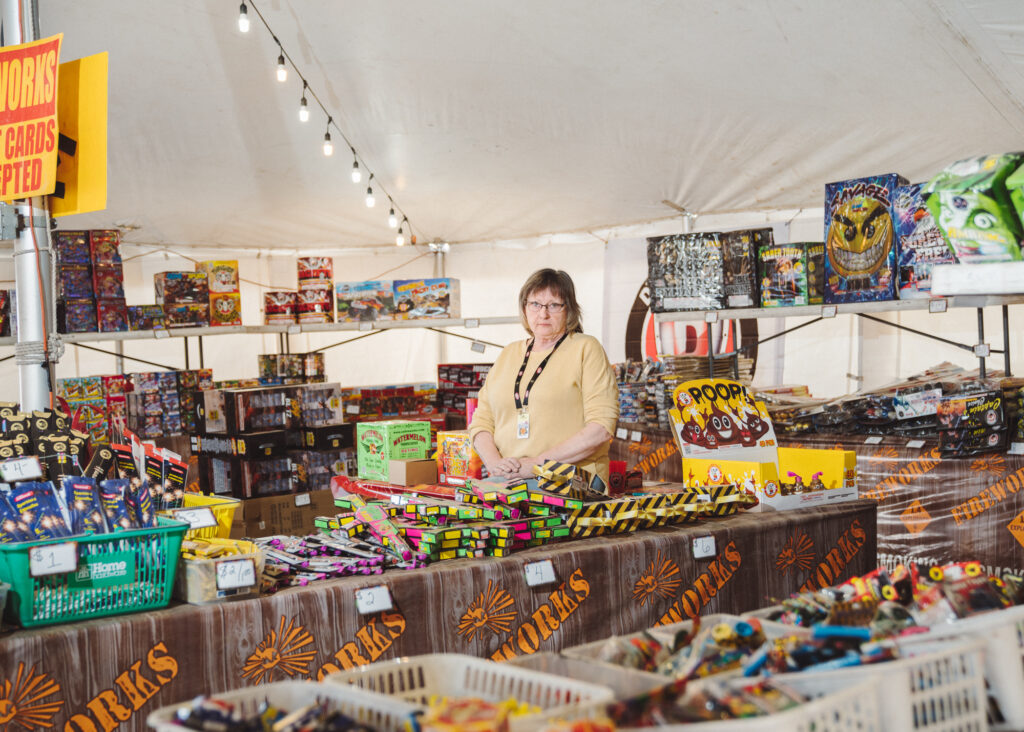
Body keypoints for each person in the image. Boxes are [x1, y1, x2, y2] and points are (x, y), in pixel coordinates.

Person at [469, 268, 619, 483]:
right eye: (535, 304)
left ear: (570, 309)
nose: (543, 314)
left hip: (570, 479)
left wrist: (538, 464)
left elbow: (601, 429)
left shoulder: (585, 348)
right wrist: (495, 464)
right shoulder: (509, 353)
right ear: (524, 307)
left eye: (554, 305)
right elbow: (481, 422)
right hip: (510, 477)